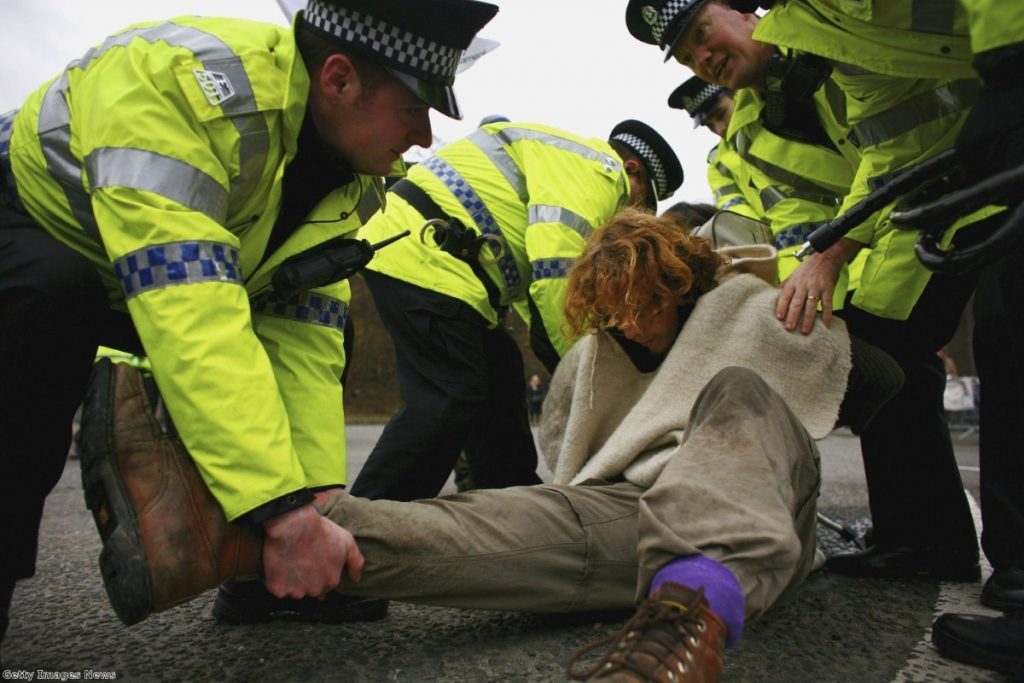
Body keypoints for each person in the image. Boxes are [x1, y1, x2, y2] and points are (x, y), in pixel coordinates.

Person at [82, 208, 883, 682]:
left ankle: (687, 620)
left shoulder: (743, 309)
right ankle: (230, 540)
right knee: (485, 517)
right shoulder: (599, 357)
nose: (633, 322)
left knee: (738, 390)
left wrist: (815, 293)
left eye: (648, 303)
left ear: (678, 283)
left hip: (752, 502)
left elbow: (873, 381)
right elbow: (581, 459)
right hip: (637, 510)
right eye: (616, 309)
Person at [0, 0, 498, 647]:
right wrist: (280, 510)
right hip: (32, 222)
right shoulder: (187, 89)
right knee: (46, 307)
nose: (426, 137)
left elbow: (305, 331)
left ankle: (254, 569)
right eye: (414, 108)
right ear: (339, 79)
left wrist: (313, 499)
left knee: (318, 340)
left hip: (144, 276)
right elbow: (191, 307)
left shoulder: (351, 178)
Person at [626, 0, 1001, 584]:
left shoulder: (829, 31)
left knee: (986, 346)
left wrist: (829, 257)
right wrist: (803, 296)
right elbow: (800, 225)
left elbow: (903, 141)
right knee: (881, 357)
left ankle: (934, 539)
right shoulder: (751, 136)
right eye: (686, 55)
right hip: (901, 228)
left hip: (973, 181)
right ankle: (923, 537)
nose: (701, 58)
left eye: (703, 32)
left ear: (742, 10)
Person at [347, 119, 684, 502]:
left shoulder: (565, 160)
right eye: (640, 206)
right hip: (422, 253)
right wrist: (586, 374)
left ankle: (509, 506)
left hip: (449, 267)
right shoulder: (598, 174)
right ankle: (368, 521)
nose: (627, 222)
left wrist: (560, 350)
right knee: (450, 394)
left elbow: (534, 294)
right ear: (632, 170)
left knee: (501, 376)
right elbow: (555, 275)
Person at [667, 73, 861, 297]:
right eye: (709, 125)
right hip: (792, 254)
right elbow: (736, 215)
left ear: (737, 93)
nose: (719, 129)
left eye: (720, 114)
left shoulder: (777, 116)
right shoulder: (718, 164)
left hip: (853, 226)